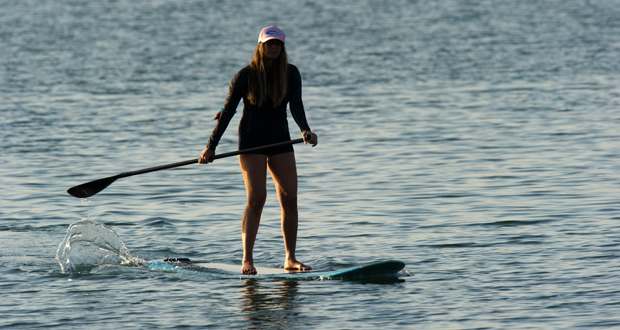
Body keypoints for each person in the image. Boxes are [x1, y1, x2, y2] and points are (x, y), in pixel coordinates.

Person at [198, 26, 318, 275]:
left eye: (278, 45)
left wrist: (305, 129)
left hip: (280, 139)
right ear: (261, 46)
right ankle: (247, 260)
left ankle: (290, 259)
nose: (273, 48)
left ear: (282, 48)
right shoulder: (245, 75)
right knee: (257, 199)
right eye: (269, 44)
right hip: (252, 140)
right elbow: (227, 112)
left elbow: (296, 105)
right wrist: (211, 147)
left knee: (290, 198)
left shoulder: (291, 73)